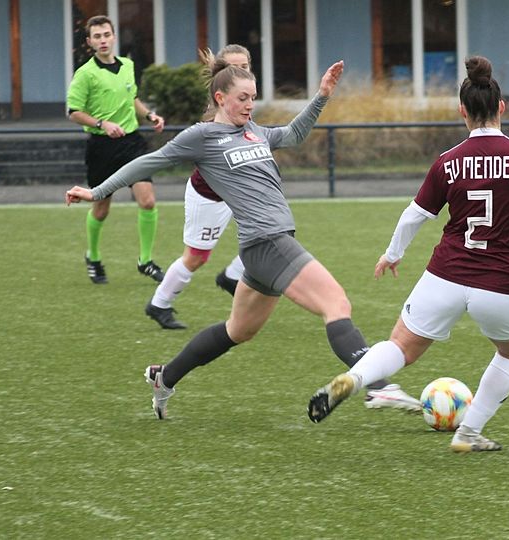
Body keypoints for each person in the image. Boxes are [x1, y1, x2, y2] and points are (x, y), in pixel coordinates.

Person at [306, 56, 509, 453]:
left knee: (401, 346)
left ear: (462, 111)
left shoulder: (447, 161)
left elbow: (414, 215)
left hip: (445, 275)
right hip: (502, 284)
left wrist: (392, 254)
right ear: (501, 107)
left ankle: (354, 380)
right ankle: (468, 433)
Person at [66, 57, 421, 418]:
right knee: (337, 305)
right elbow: (148, 162)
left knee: (238, 330)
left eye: (253, 98)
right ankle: (377, 387)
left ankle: (165, 376)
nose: (250, 105)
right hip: (269, 243)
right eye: (242, 98)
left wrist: (321, 96)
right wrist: (97, 191)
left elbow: (294, 134)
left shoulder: (255, 131)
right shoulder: (201, 137)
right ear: (220, 98)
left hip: (259, 249)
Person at [144, 44, 253, 331]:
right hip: (210, 195)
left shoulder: (245, 101)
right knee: (195, 257)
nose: (242, 72)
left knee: (271, 233)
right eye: (234, 68)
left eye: (246, 66)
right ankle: (159, 303)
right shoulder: (219, 110)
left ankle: (232, 276)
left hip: (236, 192)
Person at [66, 15, 166, 285]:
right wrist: (102, 124)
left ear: (113, 37)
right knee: (101, 210)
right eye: (96, 36)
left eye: (106, 35)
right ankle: (93, 256)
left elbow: (131, 98)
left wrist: (150, 116)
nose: (102, 40)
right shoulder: (85, 73)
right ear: (89, 42)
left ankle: (145, 261)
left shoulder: (128, 66)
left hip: (132, 143)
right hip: (102, 147)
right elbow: (73, 112)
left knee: (147, 201)